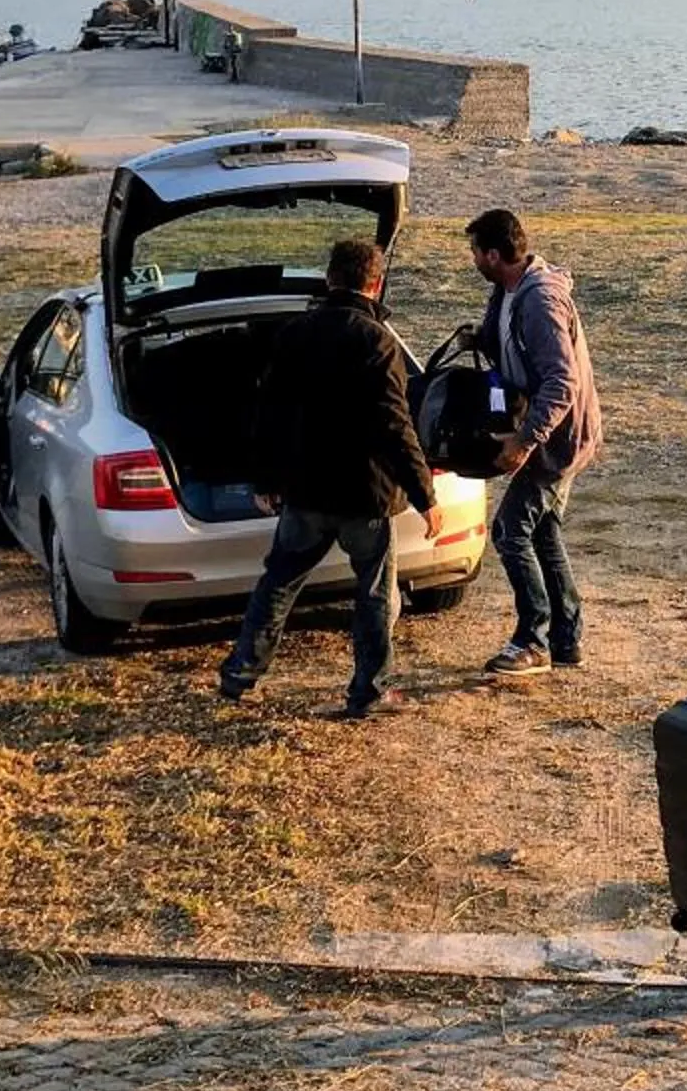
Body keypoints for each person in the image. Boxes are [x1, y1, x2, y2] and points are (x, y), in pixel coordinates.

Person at [219, 238, 438, 720]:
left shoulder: (295, 333)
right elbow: (394, 423)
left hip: (305, 491)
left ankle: (241, 673)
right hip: (367, 496)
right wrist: (425, 495)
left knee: (279, 582)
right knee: (375, 594)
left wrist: (265, 479)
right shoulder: (377, 341)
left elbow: (269, 414)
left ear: (329, 278)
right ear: (374, 282)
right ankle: (369, 692)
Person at [466, 207, 603, 678]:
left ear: (493, 253)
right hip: (552, 434)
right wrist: (478, 338)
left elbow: (561, 382)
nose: (472, 261)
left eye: (475, 253)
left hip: (556, 440)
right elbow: (506, 343)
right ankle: (567, 640)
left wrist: (525, 442)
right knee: (543, 533)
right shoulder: (507, 291)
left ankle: (533, 639)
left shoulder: (540, 299)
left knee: (509, 531)